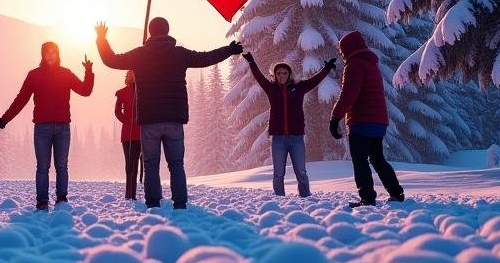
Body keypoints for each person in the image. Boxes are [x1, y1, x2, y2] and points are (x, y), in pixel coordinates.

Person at [95, 17, 242, 209]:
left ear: (150, 32)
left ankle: (153, 203)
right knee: (176, 164)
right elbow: (206, 58)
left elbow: (111, 60)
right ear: (167, 30)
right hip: (174, 118)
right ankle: (180, 203)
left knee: (151, 164)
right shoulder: (179, 54)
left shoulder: (139, 55)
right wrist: (229, 50)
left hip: (149, 119)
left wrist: (101, 39)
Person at [0, 41, 94, 209]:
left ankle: (62, 200)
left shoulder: (66, 74)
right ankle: (42, 201)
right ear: (43, 55)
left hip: (62, 128)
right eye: (47, 52)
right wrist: (4, 120)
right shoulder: (34, 75)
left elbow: (85, 90)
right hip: (42, 129)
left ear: (58, 54)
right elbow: (21, 100)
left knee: (61, 165)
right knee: (43, 166)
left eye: (53, 52)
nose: (50, 55)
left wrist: (89, 72)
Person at [241, 53, 336, 197]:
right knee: (278, 173)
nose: (281, 75)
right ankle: (280, 199)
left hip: (296, 138)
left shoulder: (299, 87)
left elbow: (314, 81)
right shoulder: (270, 88)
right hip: (278, 138)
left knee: (301, 171)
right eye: (278, 73)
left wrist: (326, 69)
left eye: (284, 72)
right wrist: (252, 61)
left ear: (289, 74)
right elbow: (259, 77)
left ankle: (305, 198)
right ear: (275, 75)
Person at [329, 29, 405, 208]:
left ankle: (367, 197)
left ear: (347, 49)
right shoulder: (371, 64)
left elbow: (349, 94)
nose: (342, 55)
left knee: (360, 160)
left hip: (361, 121)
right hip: (378, 121)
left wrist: (335, 118)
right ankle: (396, 192)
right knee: (377, 158)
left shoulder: (354, 65)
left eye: (342, 51)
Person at [114, 69, 141, 200]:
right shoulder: (122, 93)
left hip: (141, 133)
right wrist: (127, 121)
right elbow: (117, 111)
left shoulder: (143, 90)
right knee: (130, 163)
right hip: (127, 134)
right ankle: (129, 194)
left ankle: (133, 193)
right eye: (131, 73)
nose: (133, 75)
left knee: (137, 162)